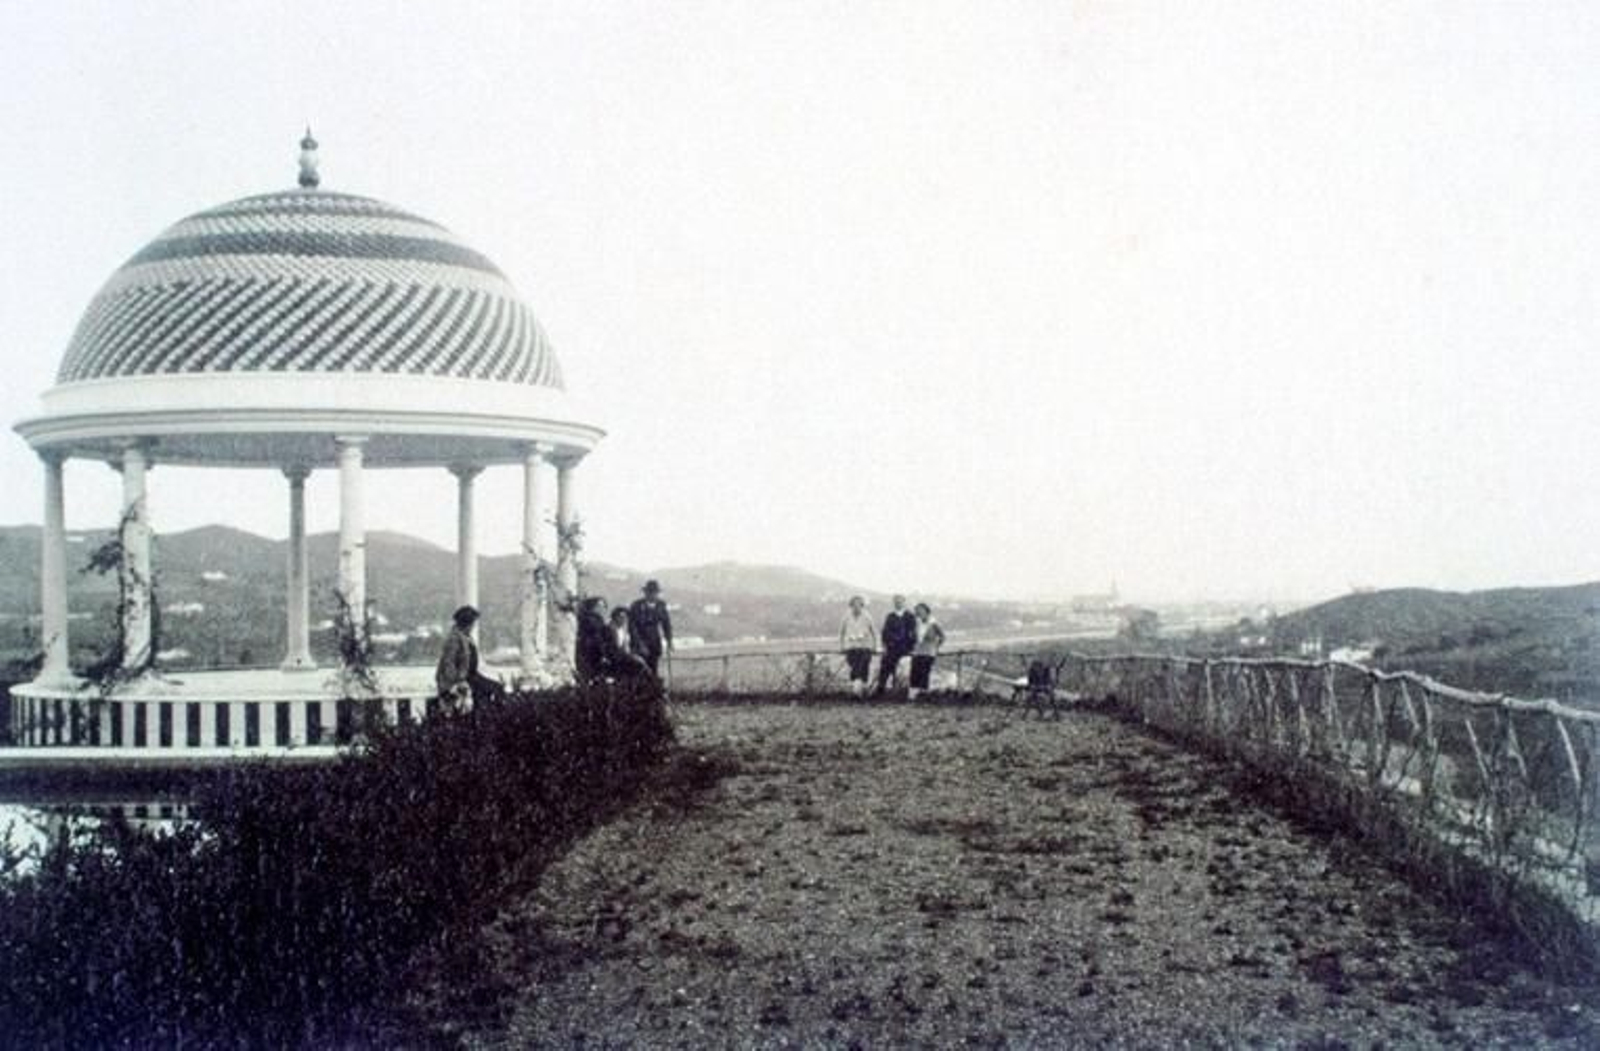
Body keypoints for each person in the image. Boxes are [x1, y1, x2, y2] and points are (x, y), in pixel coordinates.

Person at [435, 605, 503, 710]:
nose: (473, 627)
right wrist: (457, 682)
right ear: (466, 623)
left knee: (496, 688)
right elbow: (449, 663)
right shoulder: (454, 638)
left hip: (472, 676)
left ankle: (485, 713)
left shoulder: (466, 637)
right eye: (473, 623)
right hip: (463, 678)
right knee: (493, 690)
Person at [576, 597, 650, 685]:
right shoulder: (602, 625)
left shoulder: (624, 630)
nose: (623, 619)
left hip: (616, 656)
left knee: (640, 665)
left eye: (625, 617)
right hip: (607, 657)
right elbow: (606, 646)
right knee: (637, 665)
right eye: (599, 606)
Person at [628, 579, 673, 677]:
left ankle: (653, 685)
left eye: (655, 593)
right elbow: (632, 627)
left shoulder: (661, 605)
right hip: (639, 643)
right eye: (650, 592)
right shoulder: (636, 606)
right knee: (640, 670)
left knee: (653, 669)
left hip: (654, 643)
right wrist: (640, 644)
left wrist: (669, 640)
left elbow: (666, 624)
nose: (653, 595)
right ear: (645, 593)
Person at [875, 594, 917, 695]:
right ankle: (880, 689)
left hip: (905, 648)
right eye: (896, 602)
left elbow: (913, 633)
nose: (898, 603)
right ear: (894, 603)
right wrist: (886, 645)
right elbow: (885, 632)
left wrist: (911, 646)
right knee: (885, 666)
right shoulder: (890, 616)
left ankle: (900, 690)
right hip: (892, 647)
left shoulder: (910, 616)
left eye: (900, 601)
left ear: (904, 602)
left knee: (904, 669)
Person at [838, 595, 878, 696]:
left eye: (859, 604)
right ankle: (859, 690)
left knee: (863, 664)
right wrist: (842, 646)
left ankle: (858, 690)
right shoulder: (846, 617)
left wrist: (875, 646)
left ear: (862, 605)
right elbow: (841, 633)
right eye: (854, 605)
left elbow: (874, 632)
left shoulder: (867, 617)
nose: (856, 607)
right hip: (851, 647)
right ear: (851, 605)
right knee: (855, 666)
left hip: (865, 647)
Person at [908, 602, 946, 699]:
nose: (919, 613)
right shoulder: (917, 623)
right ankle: (913, 696)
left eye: (921, 610)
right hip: (917, 652)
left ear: (927, 611)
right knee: (914, 672)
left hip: (929, 652)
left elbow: (943, 637)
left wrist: (936, 647)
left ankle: (923, 695)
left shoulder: (934, 623)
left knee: (924, 673)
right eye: (917, 611)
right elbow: (913, 636)